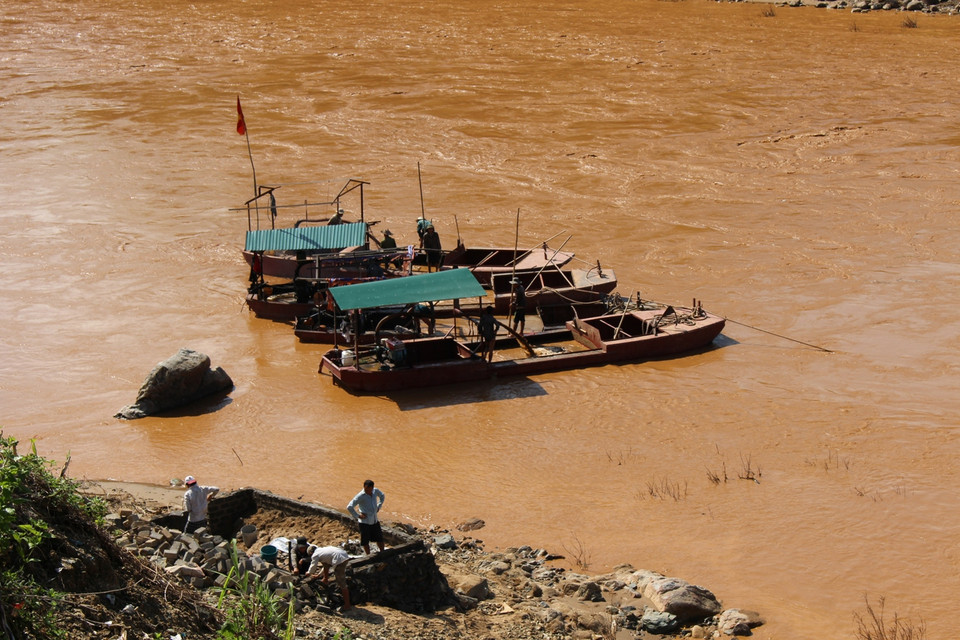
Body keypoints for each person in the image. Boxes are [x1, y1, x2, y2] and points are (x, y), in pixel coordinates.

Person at [307, 545, 352, 611]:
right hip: (344, 555)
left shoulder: (315, 554)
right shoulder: (323, 551)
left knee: (341, 583)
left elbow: (313, 567)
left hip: (339, 559)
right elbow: (326, 566)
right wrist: (321, 576)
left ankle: (347, 605)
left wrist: (308, 573)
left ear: (311, 553)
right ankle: (325, 580)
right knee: (340, 579)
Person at [346, 479, 385, 554]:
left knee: (379, 538)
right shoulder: (360, 496)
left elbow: (382, 496)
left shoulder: (375, 491)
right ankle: (368, 555)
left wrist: (379, 506)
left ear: (372, 488)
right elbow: (349, 506)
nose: (367, 491)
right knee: (365, 541)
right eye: (365, 489)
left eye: (369, 489)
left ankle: (382, 553)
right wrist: (358, 516)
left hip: (374, 520)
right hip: (365, 522)